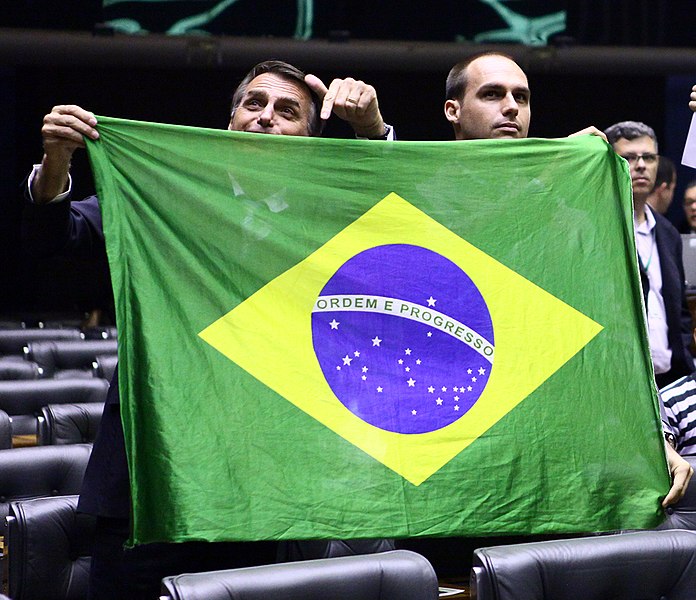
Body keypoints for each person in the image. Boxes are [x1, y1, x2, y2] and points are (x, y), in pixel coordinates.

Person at [22, 60, 393, 600]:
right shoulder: (163, 193)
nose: (266, 117)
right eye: (254, 104)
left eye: (288, 111)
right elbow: (59, 242)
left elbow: (399, 218)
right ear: (229, 122)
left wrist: (371, 132)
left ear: (311, 144)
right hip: (149, 479)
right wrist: (54, 165)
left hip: (263, 481)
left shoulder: (328, 216)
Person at [439, 51, 691, 506]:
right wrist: (554, 167)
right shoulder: (427, 191)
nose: (512, 107)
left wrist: (654, 437)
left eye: (522, 96)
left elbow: (606, 341)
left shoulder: (567, 213)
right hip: (452, 434)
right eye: (493, 94)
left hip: (546, 442)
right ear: (453, 111)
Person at [604, 121, 695, 391]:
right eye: (629, 158)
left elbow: (680, 311)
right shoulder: (596, 227)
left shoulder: (667, 232)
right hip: (619, 381)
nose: (641, 165)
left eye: (649, 157)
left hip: (670, 377)